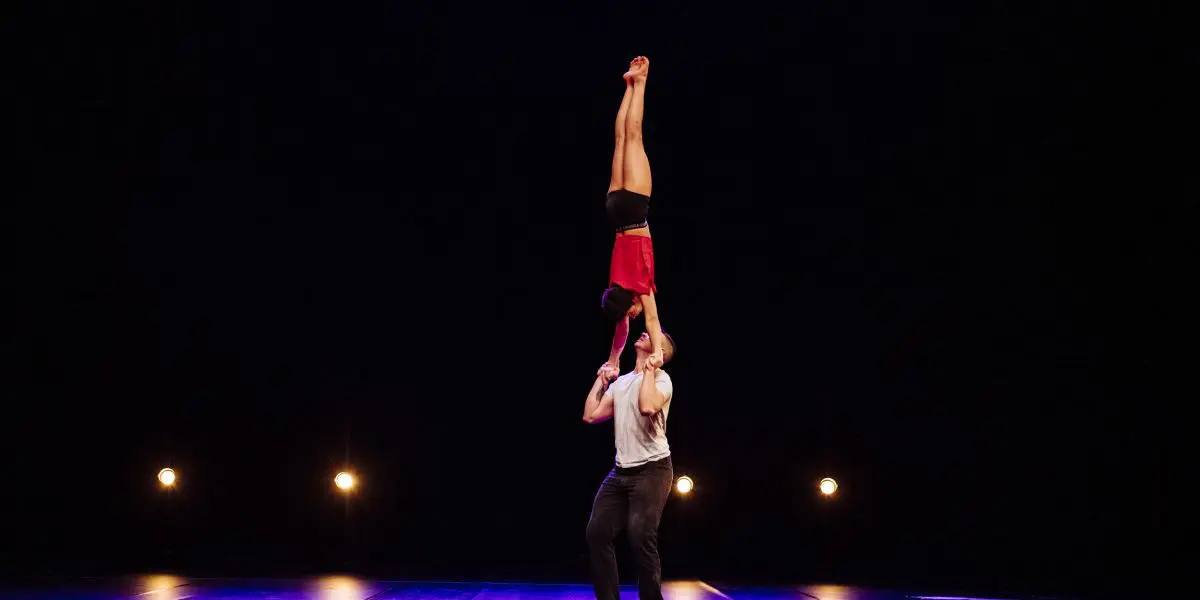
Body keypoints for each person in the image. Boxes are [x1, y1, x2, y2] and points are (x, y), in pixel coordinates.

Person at [582, 330, 677, 600]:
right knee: (597, 533)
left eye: (654, 335)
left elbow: (647, 406)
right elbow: (590, 415)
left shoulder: (662, 380)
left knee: (640, 535)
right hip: (621, 471)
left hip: (653, 469)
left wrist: (650, 369)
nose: (645, 332)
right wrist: (601, 380)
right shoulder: (622, 382)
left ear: (661, 352)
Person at [602, 56, 667, 373]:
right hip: (614, 209)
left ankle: (639, 82)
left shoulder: (640, 287)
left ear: (630, 305)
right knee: (619, 141)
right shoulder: (615, 284)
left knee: (634, 138)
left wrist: (658, 353)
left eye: (630, 315)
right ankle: (628, 85)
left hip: (635, 209)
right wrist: (613, 359)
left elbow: (653, 320)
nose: (633, 316)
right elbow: (620, 333)